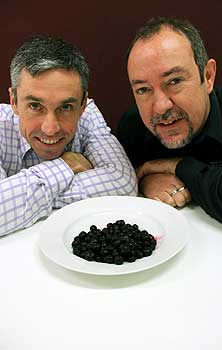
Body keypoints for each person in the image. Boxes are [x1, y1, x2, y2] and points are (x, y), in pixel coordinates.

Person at [0, 35, 137, 236]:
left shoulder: (88, 114)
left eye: (65, 107)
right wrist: (66, 165)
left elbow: (123, 183)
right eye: (35, 106)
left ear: (83, 104)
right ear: (13, 100)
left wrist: (18, 200)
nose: (50, 129)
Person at [117, 16, 222, 229]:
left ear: (208, 76)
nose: (161, 106)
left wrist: (177, 166)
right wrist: (142, 182)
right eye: (143, 90)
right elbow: (119, 184)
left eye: (175, 81)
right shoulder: (132, 126)